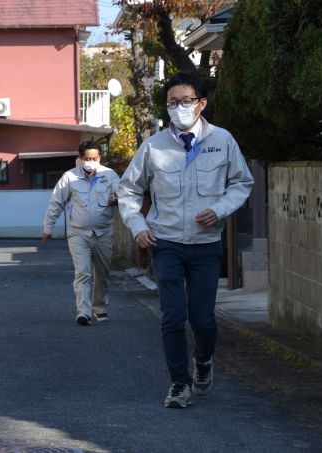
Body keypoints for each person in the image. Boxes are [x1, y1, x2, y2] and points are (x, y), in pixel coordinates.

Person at [117, 72, 254, 408]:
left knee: (203, 319)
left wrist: (220, 209)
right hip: (166, 244)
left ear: (201, 103)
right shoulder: (153, 146)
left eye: (186, 101)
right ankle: (179, 383)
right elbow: (129, 190)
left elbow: (242, 183)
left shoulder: (222, 140)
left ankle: (204, 361)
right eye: (172, 103)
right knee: (173, 316)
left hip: (206, 245)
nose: (179, 108)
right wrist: (137, 225)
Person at [43, 140, 120, 325]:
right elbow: (56, 202)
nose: (90, 161)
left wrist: (118, 198)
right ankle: (83, 312)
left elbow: (123, 194)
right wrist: (48, 228)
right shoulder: (69, 177)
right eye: (87, 158)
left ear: (99, 158)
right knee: (83, 273)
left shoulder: (110, 176)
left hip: (103, 233)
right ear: (80, 159)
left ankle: (99, 308)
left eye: (94, 158)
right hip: (78, 233)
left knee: (102, 274)